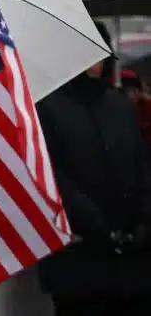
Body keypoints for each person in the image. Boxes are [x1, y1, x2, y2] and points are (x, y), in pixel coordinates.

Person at [35, 21, 151, 315]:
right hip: (79, 262)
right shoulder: (48, 107)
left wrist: (143, 220)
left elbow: (141, 164)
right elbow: (51, 175)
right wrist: (93, 223)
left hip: (132, 264)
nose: (95, 62)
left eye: (100, 53)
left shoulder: (119, 105)